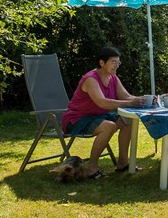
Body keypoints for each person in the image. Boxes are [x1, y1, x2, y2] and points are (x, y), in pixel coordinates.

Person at [61, 46, 144, 177]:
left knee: (129, 120)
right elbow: (102, 102)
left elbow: (126, 97)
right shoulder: (91, 79)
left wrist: (142, 100)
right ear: (102, 63)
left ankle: (123, 162)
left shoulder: (113, 78)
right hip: (77, 119)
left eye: (118, 62)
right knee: (109, 126)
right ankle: (92, 168)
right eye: (113, 62)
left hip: (99, 116)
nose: (117, 66)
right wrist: (130, 103)